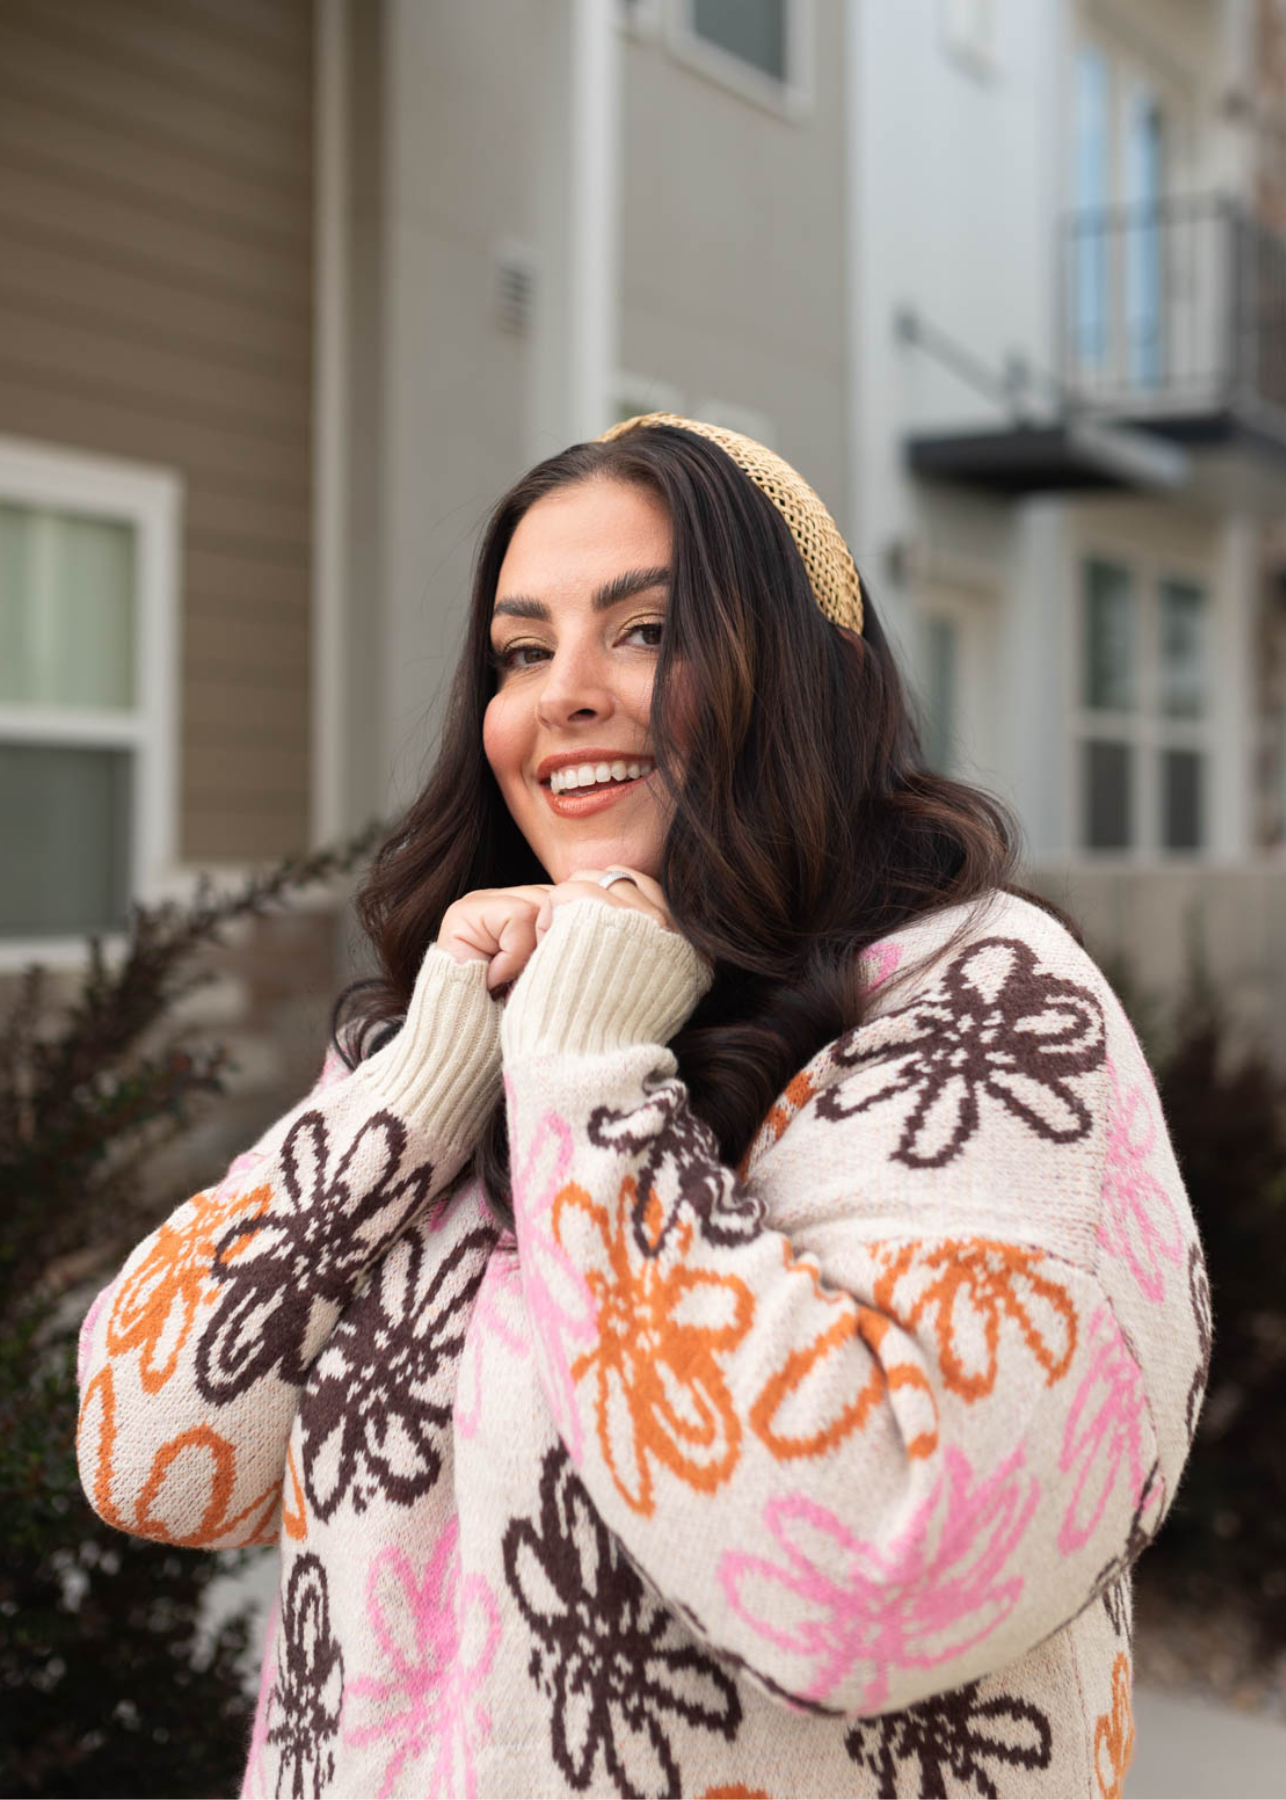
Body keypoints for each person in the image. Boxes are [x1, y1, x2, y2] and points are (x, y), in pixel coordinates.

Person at [77, 414, 1208, 1800]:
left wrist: (588, 1076)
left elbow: (885, 1565)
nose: (563, 694)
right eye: (522, 649)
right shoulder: (457, 1037)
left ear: (812, 676)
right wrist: (429, 1079)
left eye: (645, 630)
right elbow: (149, 1452)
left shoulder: (984, 1012)